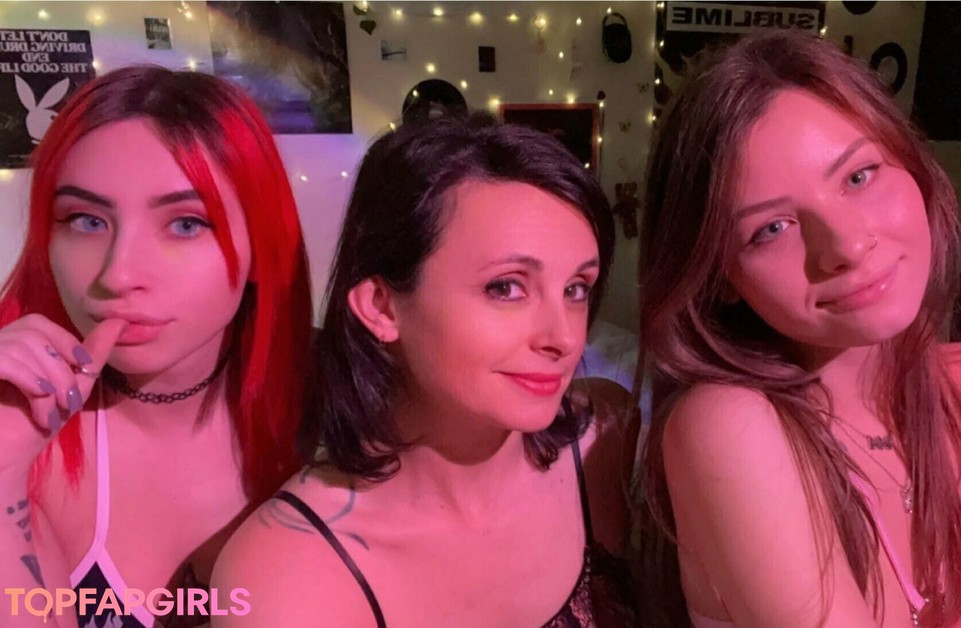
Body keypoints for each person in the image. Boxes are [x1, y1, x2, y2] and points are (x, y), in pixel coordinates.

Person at [636, 30, 961, 627]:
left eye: (859, 176)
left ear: (913, 166)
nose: (845, 245)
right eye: (771, 228)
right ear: (718, 276)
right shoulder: (726, 426)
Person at [212, 114, 638, 627]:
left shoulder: (602, 444)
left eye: (576, 289)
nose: (565, 338)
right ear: (381, 306)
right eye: (506, 287)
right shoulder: (286, 571)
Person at [0, 66, 312, 627]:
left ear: (263, 245)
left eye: (186, 224)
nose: (118, 275)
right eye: (86, 220)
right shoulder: (25, 431)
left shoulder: (345, 419)